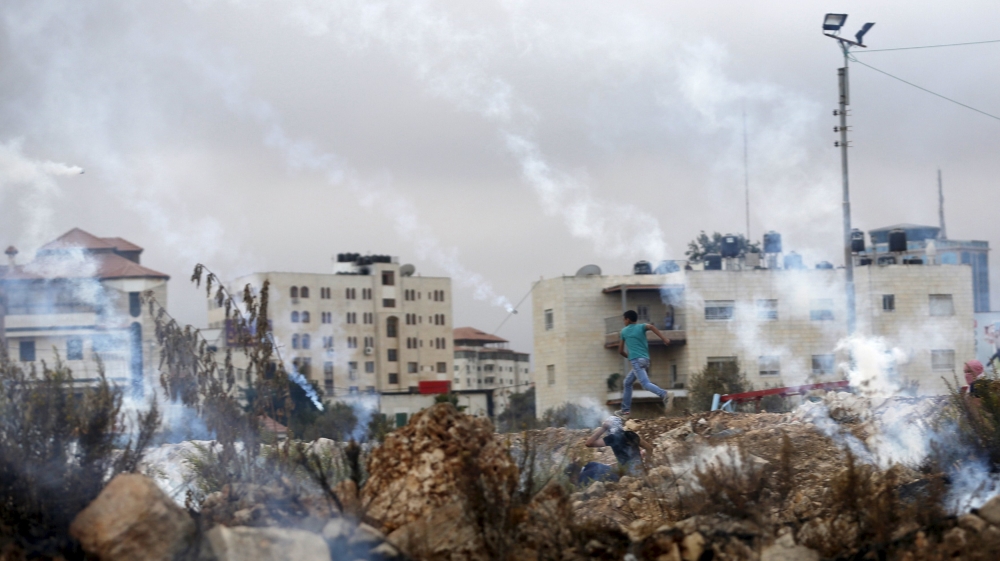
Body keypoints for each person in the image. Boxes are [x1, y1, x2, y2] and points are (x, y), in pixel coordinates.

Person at [615, 310, 672, 418]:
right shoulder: (641, 327)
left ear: (627, 319)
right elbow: (651, 327)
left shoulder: (624, 331)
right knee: (627, 382)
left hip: (636, 361)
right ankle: (625, 411)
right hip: (645, 360)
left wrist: (629, 356)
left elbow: (620, 351)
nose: (623, 321)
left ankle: (664, 394)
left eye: (624, 319)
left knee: (645, 384)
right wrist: (664, 338)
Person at [576, 416, 653, 485]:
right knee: (606, 465)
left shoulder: (612, 438)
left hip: (628, 476)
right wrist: (647, 464)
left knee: (594, 466)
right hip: (639, 471)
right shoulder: (631, 434)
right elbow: (649, 448)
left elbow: (589, 443)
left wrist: (603, 428)